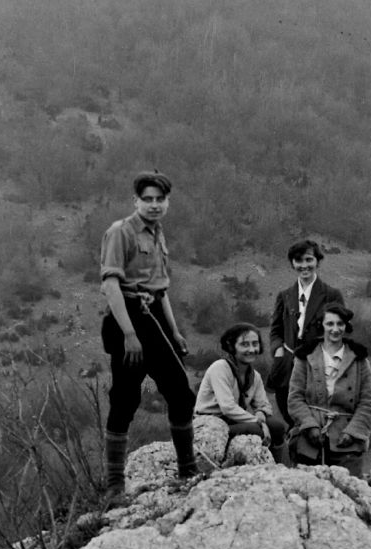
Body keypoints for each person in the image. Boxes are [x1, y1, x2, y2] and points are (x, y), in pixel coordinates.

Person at [100, 170, 197, 506]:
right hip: (129, 317)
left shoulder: (157, 234)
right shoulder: (121, 232)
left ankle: (188, 472)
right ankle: (115, 488)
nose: (154, 205)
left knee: (181, 394)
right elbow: (111, 285)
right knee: (125, 399)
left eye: (160, 200)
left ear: (167, 202)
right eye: (148, 199)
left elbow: (161, 289)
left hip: (154, 318)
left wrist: (174, 331)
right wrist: (128, 333)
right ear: (136, 201)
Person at [288, 303, 371, 476]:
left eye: (340, 324)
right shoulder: (305, 357)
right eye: (330, 324)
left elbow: (367, 403)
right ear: (322, 325)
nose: (335, 329)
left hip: (345, 440)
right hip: (310, 439)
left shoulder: (359, 360)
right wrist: (310, 426)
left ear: (346, 326)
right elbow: (295, 398)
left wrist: (352, 433)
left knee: (350, 489)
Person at [268, 239, 345, 427]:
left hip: (318, 368)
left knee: (316, 420)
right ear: (293, 263)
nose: (304, 266)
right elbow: (275, 330)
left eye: (309, 260)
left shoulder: (331, 295)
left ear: (317, 262)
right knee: (290, 416)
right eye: (298, 260)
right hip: (287, 367)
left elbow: (341, 333)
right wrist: (278, 350)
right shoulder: (284, 296)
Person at [195, 324, 287, 460]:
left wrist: (261, 412)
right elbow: (227, 407)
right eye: (244, 344)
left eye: (255, 344)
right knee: (257, 430)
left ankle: (278, 466)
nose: (251, 349)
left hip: (234, 422)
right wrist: (259, 422)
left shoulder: (254, 376)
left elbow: (264, 405)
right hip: (211, 424)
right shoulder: (220, 368)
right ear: (232, 347)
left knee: (277, 427)